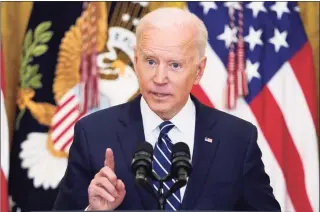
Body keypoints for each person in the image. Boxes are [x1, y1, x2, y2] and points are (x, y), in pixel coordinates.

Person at [53, 7, 281, 211]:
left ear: (199, 71)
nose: (159, 78)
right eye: (150, 61)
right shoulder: (93, 133)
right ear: (135, 60)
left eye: (175, 65)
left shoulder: (237, 139)